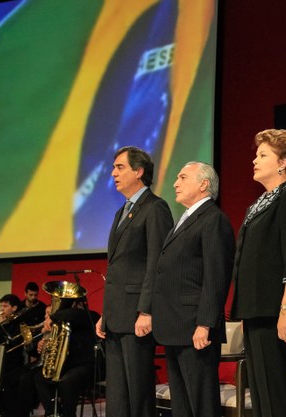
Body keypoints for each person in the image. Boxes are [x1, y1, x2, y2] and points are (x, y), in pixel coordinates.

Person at [230, 129, 286, 417]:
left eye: (263, 155)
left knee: (274, 389)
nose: (254, 160)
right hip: (254, 309)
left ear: (283, 162)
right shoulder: (259, 202)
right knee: (260, 392)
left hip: (274, 310)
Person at [95, 145, 173, 417]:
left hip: (138, 316)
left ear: (139, 172)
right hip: (116, 317)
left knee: (137, 394)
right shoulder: (121, 212)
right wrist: (106, 313)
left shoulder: (155, 208)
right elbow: (118, 268)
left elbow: (157, 264)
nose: (113, 173)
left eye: (120, 168)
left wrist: (147, 310)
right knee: (116, 396)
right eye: (114, 168)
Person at [152, 161, 234, 417]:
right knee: (182, 406)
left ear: (203, 184)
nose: (175, 183)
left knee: (201, 404)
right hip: (175, 327)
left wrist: (205, 324)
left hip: (195, 328)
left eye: (182, 177)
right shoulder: (185, 219)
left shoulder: (212, 219)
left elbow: (216, 276)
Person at [33, 298, 100, 417]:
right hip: (68, 364)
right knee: (40, 376)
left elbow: (73, 314)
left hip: (87, 365)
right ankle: (53, 413)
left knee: (67, 381)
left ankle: (69, 415)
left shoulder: (90, 316)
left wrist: (53, 316)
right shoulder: (62, 320)